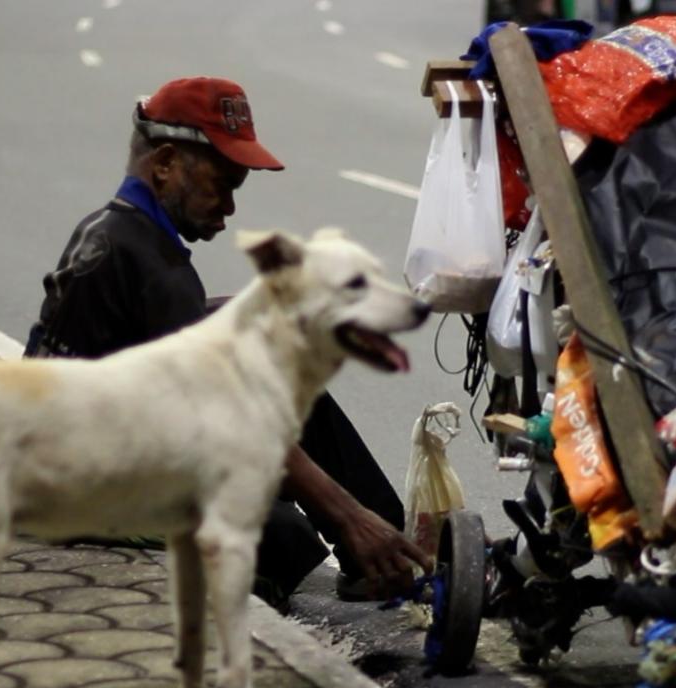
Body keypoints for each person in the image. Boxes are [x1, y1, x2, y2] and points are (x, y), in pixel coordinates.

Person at [25, 76, 429, 606]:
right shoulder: (149, 264)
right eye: (223, 184)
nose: (231, 208)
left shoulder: (115, 233)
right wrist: (347, 516)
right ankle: (372, 545)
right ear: (166, 164)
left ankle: (385, 542)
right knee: (280, 537)